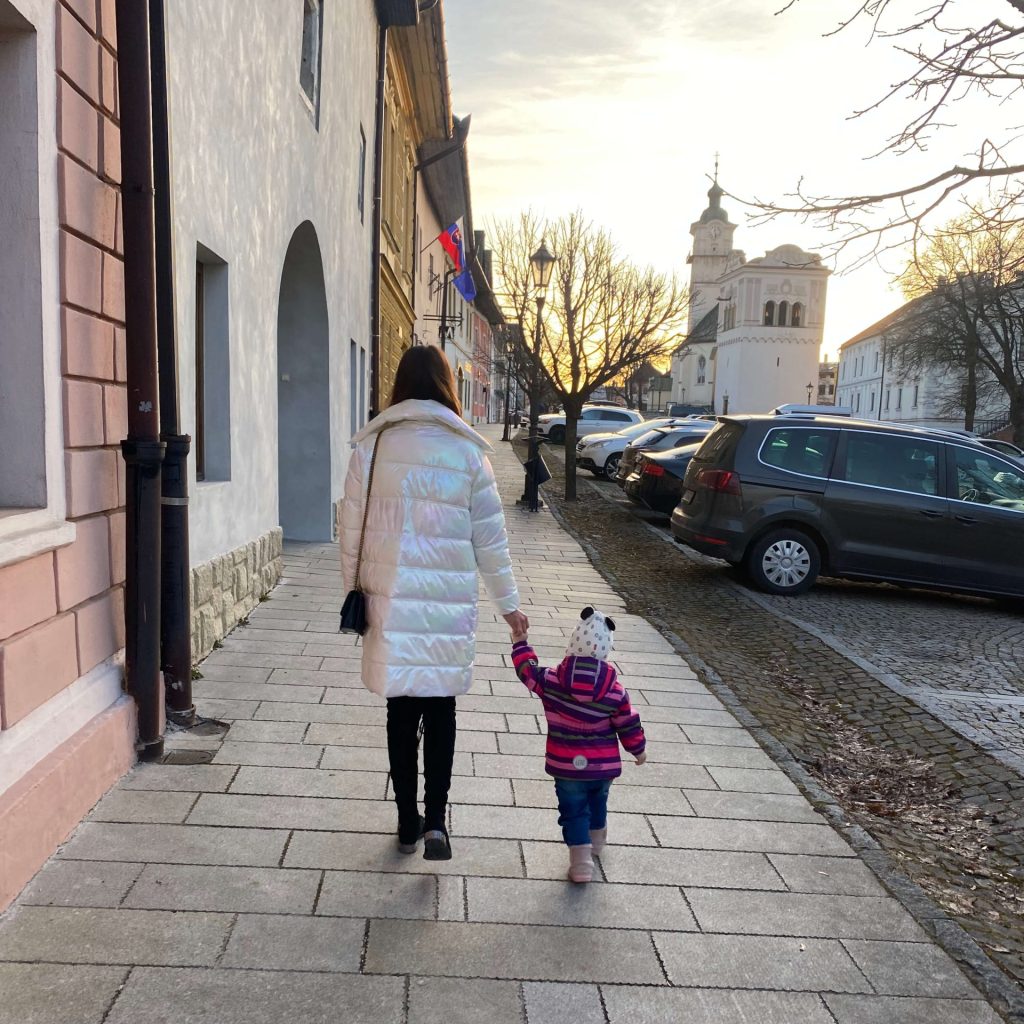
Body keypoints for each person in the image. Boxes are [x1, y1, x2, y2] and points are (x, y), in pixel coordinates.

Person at [339, 345, 528, 861]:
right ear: (448, 385)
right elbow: (490, 540)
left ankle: (405, 821)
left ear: (399, 386)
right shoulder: (469, 454)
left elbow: (349, 529)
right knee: (441, 709)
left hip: (391, 601)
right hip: (446, 606)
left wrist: (352, 588)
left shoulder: (372, 450)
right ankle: (437, 821)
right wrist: (510, 606)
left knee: (400, 711)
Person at [509, 607, 647, 883]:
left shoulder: (551, 681)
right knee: (598, 801)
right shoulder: (615, 691)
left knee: (573, 811)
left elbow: (527, 672)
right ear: (606, 651)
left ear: (572, 643)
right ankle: (596, 841)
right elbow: (628, 723)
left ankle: (581, 862)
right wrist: (638, 749)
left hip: (566, 766)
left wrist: (520, 642)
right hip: (603, 767)